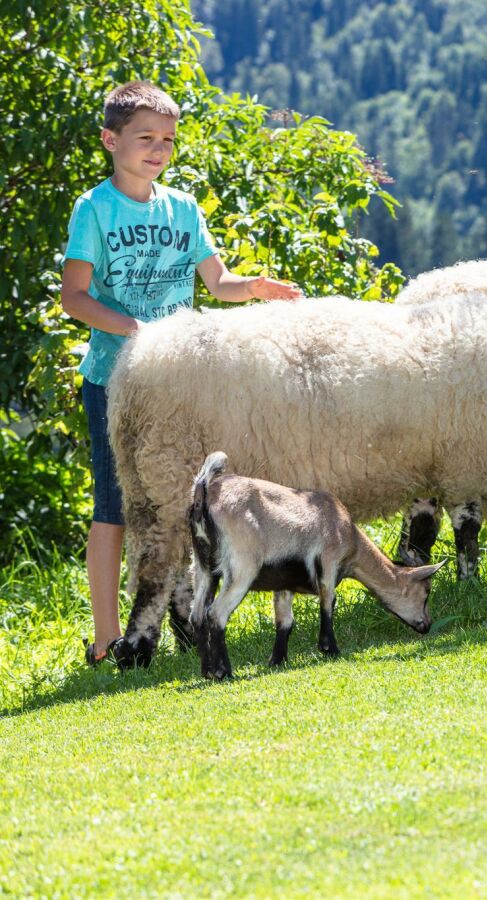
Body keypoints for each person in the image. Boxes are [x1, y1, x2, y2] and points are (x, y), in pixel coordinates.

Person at [61, 81, 302, 665]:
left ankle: (185, 618)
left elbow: (216, 282)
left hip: (182, 386)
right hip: (115, 383)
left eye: (167, 139)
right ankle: (105, 638)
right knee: (115, 509)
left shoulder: (182, 208)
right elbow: (74, 297)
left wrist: (256, 289)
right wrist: (138, 332)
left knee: (189, 503)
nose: (158, 149)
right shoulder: (94, 209)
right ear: (109, 139)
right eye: (145, 137)